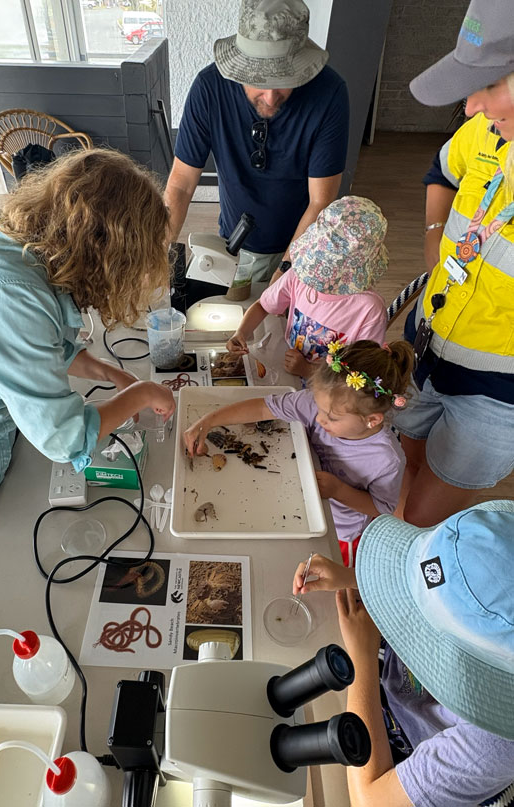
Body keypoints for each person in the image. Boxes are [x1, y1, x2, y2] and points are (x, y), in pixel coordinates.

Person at [0, 149, 175, 567]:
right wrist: (140, 394)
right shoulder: (8, 292)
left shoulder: (18, 250)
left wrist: (106, 371)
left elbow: (37, 343)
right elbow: (64, 437)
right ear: (105, 248)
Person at [292, 499, 514, 807]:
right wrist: (359, 579)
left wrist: (361, 658)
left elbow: (369, 800)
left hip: (399, 758)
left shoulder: (496, 744)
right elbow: (458, 584)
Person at [394, 0, 514, 527]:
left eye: (490, 85)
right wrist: (433, 238)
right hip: (426, 349)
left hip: (495, 396)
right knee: (406, 466)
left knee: (416, 520)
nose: (470, 107)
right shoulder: (486, 131)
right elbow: (441, 172)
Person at [165, 0, 349, 283]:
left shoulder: (329, 94)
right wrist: (159, 253)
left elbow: (320, 202)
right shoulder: (209, 88)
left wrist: (283, 275)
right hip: (234, 241)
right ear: (239, 68)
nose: (271, 96)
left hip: (303, 245)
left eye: (285, 80)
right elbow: (181, 183)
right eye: (258, 81)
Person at [184, 339, 414, 566]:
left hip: (340, 529)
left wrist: (338, 490)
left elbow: (381, 507)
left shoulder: (387, 459)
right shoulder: (319, 405)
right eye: (319, 407)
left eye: (332, 418)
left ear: (372, 420)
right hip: (295, 495)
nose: (320, 418)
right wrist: (209, 420)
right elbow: (264, 407)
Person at [225, 196, 389, 380]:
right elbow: (263, 306)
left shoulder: (369, 309)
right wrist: (241, 333)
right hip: (289, 373)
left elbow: (363, 374)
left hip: (331, 394)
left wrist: (308, 371)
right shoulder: (299, 275)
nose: (316, 275)